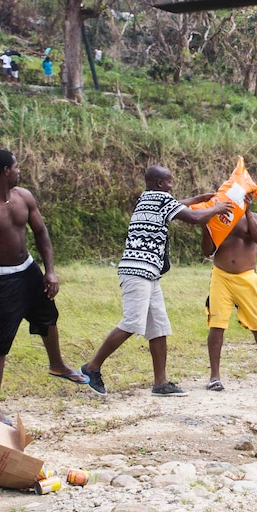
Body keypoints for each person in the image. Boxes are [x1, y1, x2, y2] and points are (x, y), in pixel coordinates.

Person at [80, 165, 231, 396]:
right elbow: (192, 217)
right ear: (160, 184)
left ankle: (160, 383)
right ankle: (91, 368)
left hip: (149, 273)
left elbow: (178, 204)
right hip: (138, 271)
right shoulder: (162, 199)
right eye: (170, 181)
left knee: (158, 327)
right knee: (131, 323)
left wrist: (199, 198)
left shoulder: (147, 197)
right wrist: (217, 208)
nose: (172, 184)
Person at [0, 149, 86, 423]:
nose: (20, 171)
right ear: (6, 171)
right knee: (1, 342)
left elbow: (40, 232)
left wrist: (50, 271)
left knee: (48, 317)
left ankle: (56, 364)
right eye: (17, 167)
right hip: (1, 279)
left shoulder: (24, 197)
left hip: (28, 269)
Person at [200, 209, 257, 391]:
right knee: (216, 325)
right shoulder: (218, 216)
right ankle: (214, 377)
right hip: (220, 277)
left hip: (246, 278)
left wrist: (247, 212)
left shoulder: (254, 217)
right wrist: (205, 224)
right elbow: (207, 251)